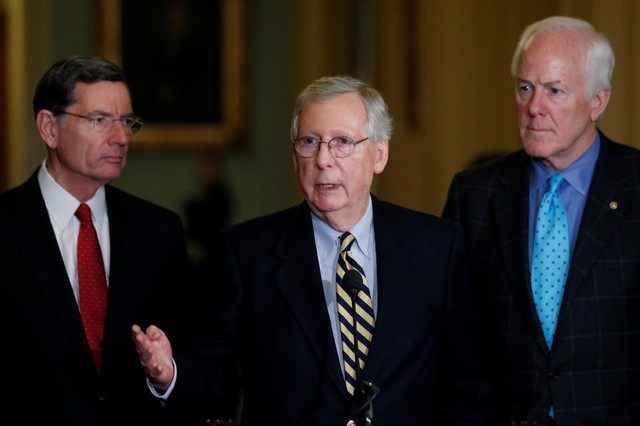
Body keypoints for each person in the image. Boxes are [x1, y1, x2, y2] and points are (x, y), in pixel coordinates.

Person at [132, 75, 494, 425]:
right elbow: (214, 376)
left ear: (379, 155)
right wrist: (170, 375)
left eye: (342, 142)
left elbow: (469, 386)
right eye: (309, 142)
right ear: (295, 157)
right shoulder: (246, 254)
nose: (322, 160)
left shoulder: (436, 246)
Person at [442, 16, 640, 425]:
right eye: (525, 88)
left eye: (555, 91)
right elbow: (454, 343)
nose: (534, 107)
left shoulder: (635, 186)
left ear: (597, 102)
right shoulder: (474, 194)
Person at [0, 56, 195, 425]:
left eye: (126, 122)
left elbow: (187, 360)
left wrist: (164, 375)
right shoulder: (7, 226)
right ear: (49, 128)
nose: (121, 137)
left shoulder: (158, 231)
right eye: (99, 120)